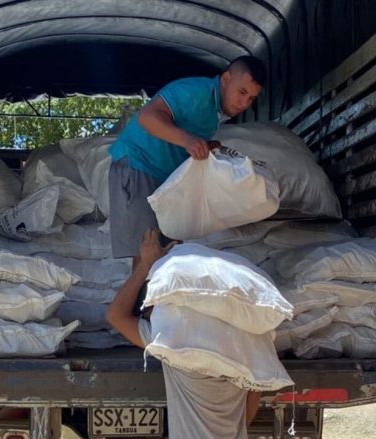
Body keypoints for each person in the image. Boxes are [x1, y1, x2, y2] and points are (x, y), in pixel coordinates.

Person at [107, 56, 267, 266]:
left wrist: (203, 146)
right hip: (139, 164)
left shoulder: (215, 109)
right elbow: (148, 117)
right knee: (148, 256)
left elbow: (183, 134)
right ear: (226, 79)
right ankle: (142, 289)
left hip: (163, 177)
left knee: (168, 252)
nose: (244, 104)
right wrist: (188, 141)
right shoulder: (196, 92)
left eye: (251, 98)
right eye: (242, 92)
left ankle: (157, 288)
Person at [106, 229, 261, 439]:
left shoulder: (236, 342)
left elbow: (255, 388)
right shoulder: (177, 347)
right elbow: (116, 316)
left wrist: (146, 266)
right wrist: (145, 265)